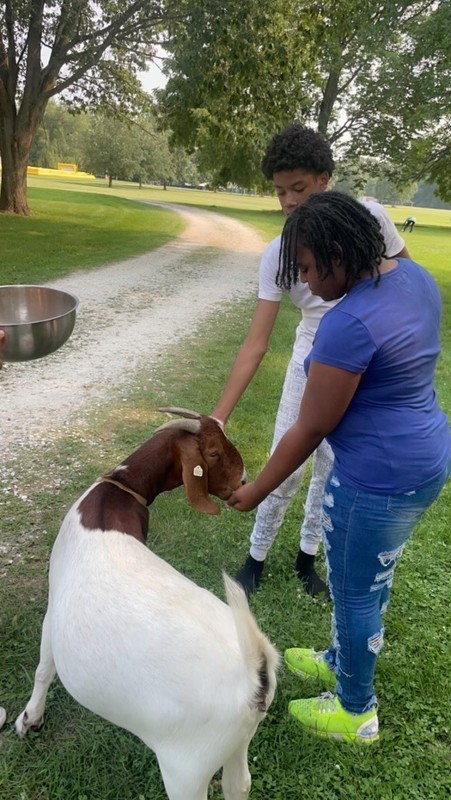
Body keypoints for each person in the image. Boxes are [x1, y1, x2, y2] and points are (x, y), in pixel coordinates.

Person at [227, 191, 450, 743]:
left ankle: (356, 710)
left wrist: (255, 491)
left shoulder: (347, 323)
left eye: (306, 268)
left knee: (353, 592)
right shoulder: (414, 278)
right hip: (424, 460)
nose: (303, 281)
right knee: (371, 578)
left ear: (337, 253)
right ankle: (339, 658)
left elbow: (310, 428)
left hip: (376, 480)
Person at [211, 123, 409, 597]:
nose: (288, 202)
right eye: (280, 191)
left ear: (324, 179)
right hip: (311, 355)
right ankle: (256, 558)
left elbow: (405, 278)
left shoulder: (369, 218)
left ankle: (307, 556)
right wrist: (218, 417)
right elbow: (256, 343)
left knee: (332, 467)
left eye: (298, 188)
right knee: (288, 456)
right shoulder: (277, 255)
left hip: (363, 360)